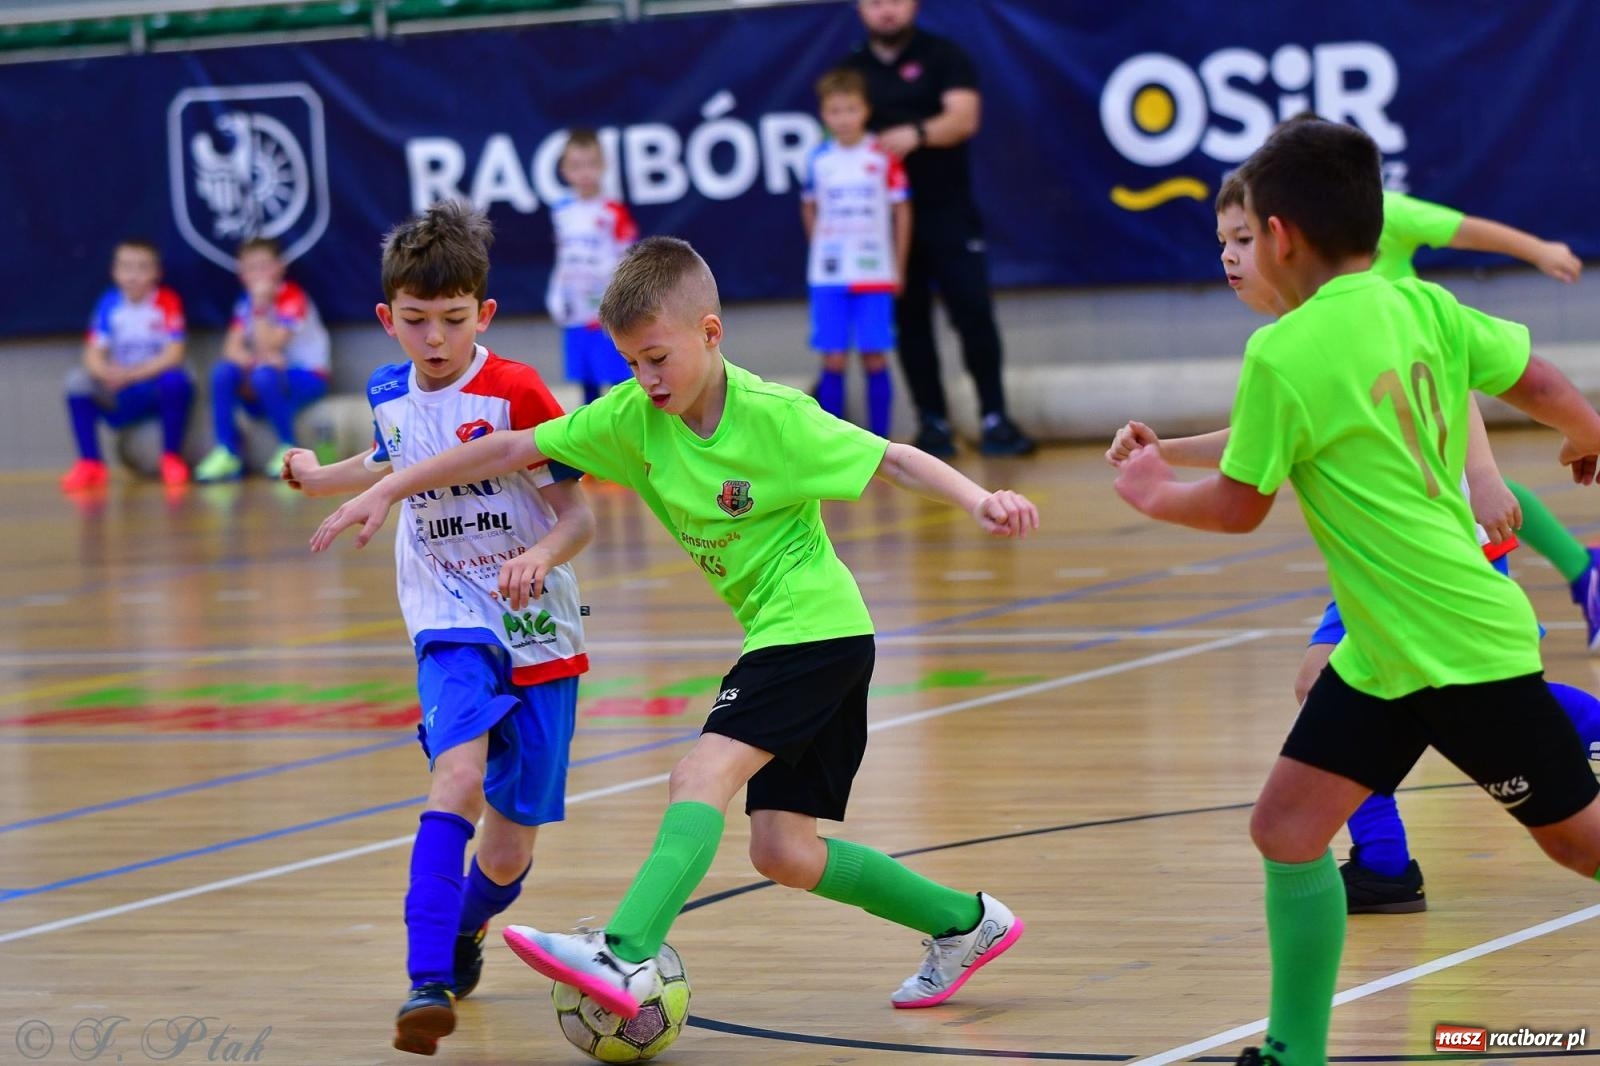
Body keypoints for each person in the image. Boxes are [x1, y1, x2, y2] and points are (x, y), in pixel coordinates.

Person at [310, 235, 1038, 1020]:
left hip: (814, 629)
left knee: (698, 777)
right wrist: (386, 489)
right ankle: (964, 923)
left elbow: (892, 459)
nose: (646, 378)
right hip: (795, 637)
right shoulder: (633, 418)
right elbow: (513, 447)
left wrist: (979, 500)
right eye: (630, 363)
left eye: (657, 358)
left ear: (710, 333)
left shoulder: (775, 418)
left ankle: (625, 952)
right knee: (783, 851)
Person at [1111, 118, 1600, 1066]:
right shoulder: (1420, 305)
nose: (1239, 252)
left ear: (1280, 235)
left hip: (1454, 645)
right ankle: (1293, 1054)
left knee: (1580, 847)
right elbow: (1538, 380)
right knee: (1287, 830)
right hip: (1383, 653)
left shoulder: (1285, 350)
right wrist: (1588, 436)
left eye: (1246, 233)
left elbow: (1240, 507)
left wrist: (1154, 492)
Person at [282, 202, 595, 1056]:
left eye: (453, 320)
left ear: (483, 314)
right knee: (454, 778)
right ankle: (426, 983)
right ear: (387, 318)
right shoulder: (388, 390)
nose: (434, 338)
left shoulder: (516, 392)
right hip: (447, 616)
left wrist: (542, 555)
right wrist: (316, 477)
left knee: (507, 854)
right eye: (415, 320)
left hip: (536, 622)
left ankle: (465, 927)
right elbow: (391, 456)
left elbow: (578, 518)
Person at [1374, 188, 1600, 648]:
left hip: (1418, 380)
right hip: (1377, 401)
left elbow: (1466, 230)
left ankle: (1577, 574)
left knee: (1472, 484)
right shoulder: (1297, 296)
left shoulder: (1384, 212)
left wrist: (1540, 251)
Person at [840, 0, 1034, 458]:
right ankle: (933, 423)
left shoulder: (944, 55)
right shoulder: (851, 70)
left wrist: (917, 134)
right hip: (886, 223)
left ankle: (994, 418)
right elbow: (840, 136)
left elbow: (964, 117)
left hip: (948, 212)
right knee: (909, 321)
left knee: (973, 312)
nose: (886, 11)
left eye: (895, 0)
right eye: (875, 2)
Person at [803, 67, 910, 439]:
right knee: (833, 357)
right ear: (823, 114)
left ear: (866, 110)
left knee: (874, 356)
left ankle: (881, 443)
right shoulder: (818, 159)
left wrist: (898, 266)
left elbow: (902, 210)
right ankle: (835, 446)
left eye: (851, 109)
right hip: (829, 275)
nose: (844, 118)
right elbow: (808, 206)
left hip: (874, 272)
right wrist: (821, 249)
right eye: (835, 111)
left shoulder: (883, 156)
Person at [195, 237, 332, 481]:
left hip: (308, 376)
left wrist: (260, 306)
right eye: (251, 268)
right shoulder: (244, 302)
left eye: (264, 266)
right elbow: (230, 350)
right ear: (242, 273)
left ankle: (289, 448)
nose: (258, 274)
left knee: (263, 376)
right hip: (267, 378)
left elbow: (269, 344)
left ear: (280, 267)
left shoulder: (292, 296)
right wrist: (256, 361)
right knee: (224, 372)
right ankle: (227, 451)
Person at [61, 239, 193, 491]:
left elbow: (174, 354)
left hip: (150, 389)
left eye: (142, 267)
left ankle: (170, 458)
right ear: (115, 271)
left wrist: (131, 375)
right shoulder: (109, 304)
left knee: (176, 378)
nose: (133, 275)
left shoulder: (167, 301)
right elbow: (92, 354)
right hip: (119, 390)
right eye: (127, 267)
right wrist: (106, 373)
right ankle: (90, 464)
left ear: (156, 272)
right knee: (78, 381)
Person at [547, 128, 639, 405]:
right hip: (575, 311)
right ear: (564, 170)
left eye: (591, 164)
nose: (585, 173)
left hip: (606, 311)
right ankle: (591, 427)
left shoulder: (613, 211)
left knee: (618, 377)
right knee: (585, 378)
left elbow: (628, 255)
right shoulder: (562, 211)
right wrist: (556, 292)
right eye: (576, 166)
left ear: (603, 165)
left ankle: (627, 423)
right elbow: (562, 255)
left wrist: (613, 283)